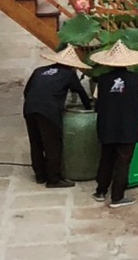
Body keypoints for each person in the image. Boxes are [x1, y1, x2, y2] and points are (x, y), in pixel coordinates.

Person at [91, 43, 138, 208]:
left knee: (106, 158)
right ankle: (117, 197)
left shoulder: (102, 80)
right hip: (128, 126)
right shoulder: (137, 79)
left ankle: (100, 191)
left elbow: (97, 98)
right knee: (123, 161)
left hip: (106, 125)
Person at [23, 44, 90, 188]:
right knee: (53, 145)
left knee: (36, 142)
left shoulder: (39, 71)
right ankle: (54, 179)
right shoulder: (68, 74)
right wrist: (89, 108)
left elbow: (27, 91)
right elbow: (81, 92)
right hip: (49, 111)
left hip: (30, 108)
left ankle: (40, 175)